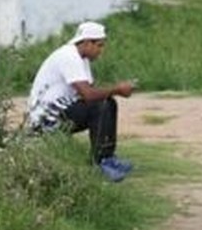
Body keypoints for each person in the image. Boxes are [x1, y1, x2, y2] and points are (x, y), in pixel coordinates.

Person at [25, 21, 137, 182]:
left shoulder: (81, 58)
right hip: (46, 119)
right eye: (99, 45)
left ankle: (108, 157)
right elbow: (89, 95)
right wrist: (117, 89)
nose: (101, 50)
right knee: (102, 105)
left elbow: (91, 92)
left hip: (60, 110)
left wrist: (115, 91)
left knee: (107, 103)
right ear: (86, 42)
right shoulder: (69, 56)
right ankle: (100, 163)